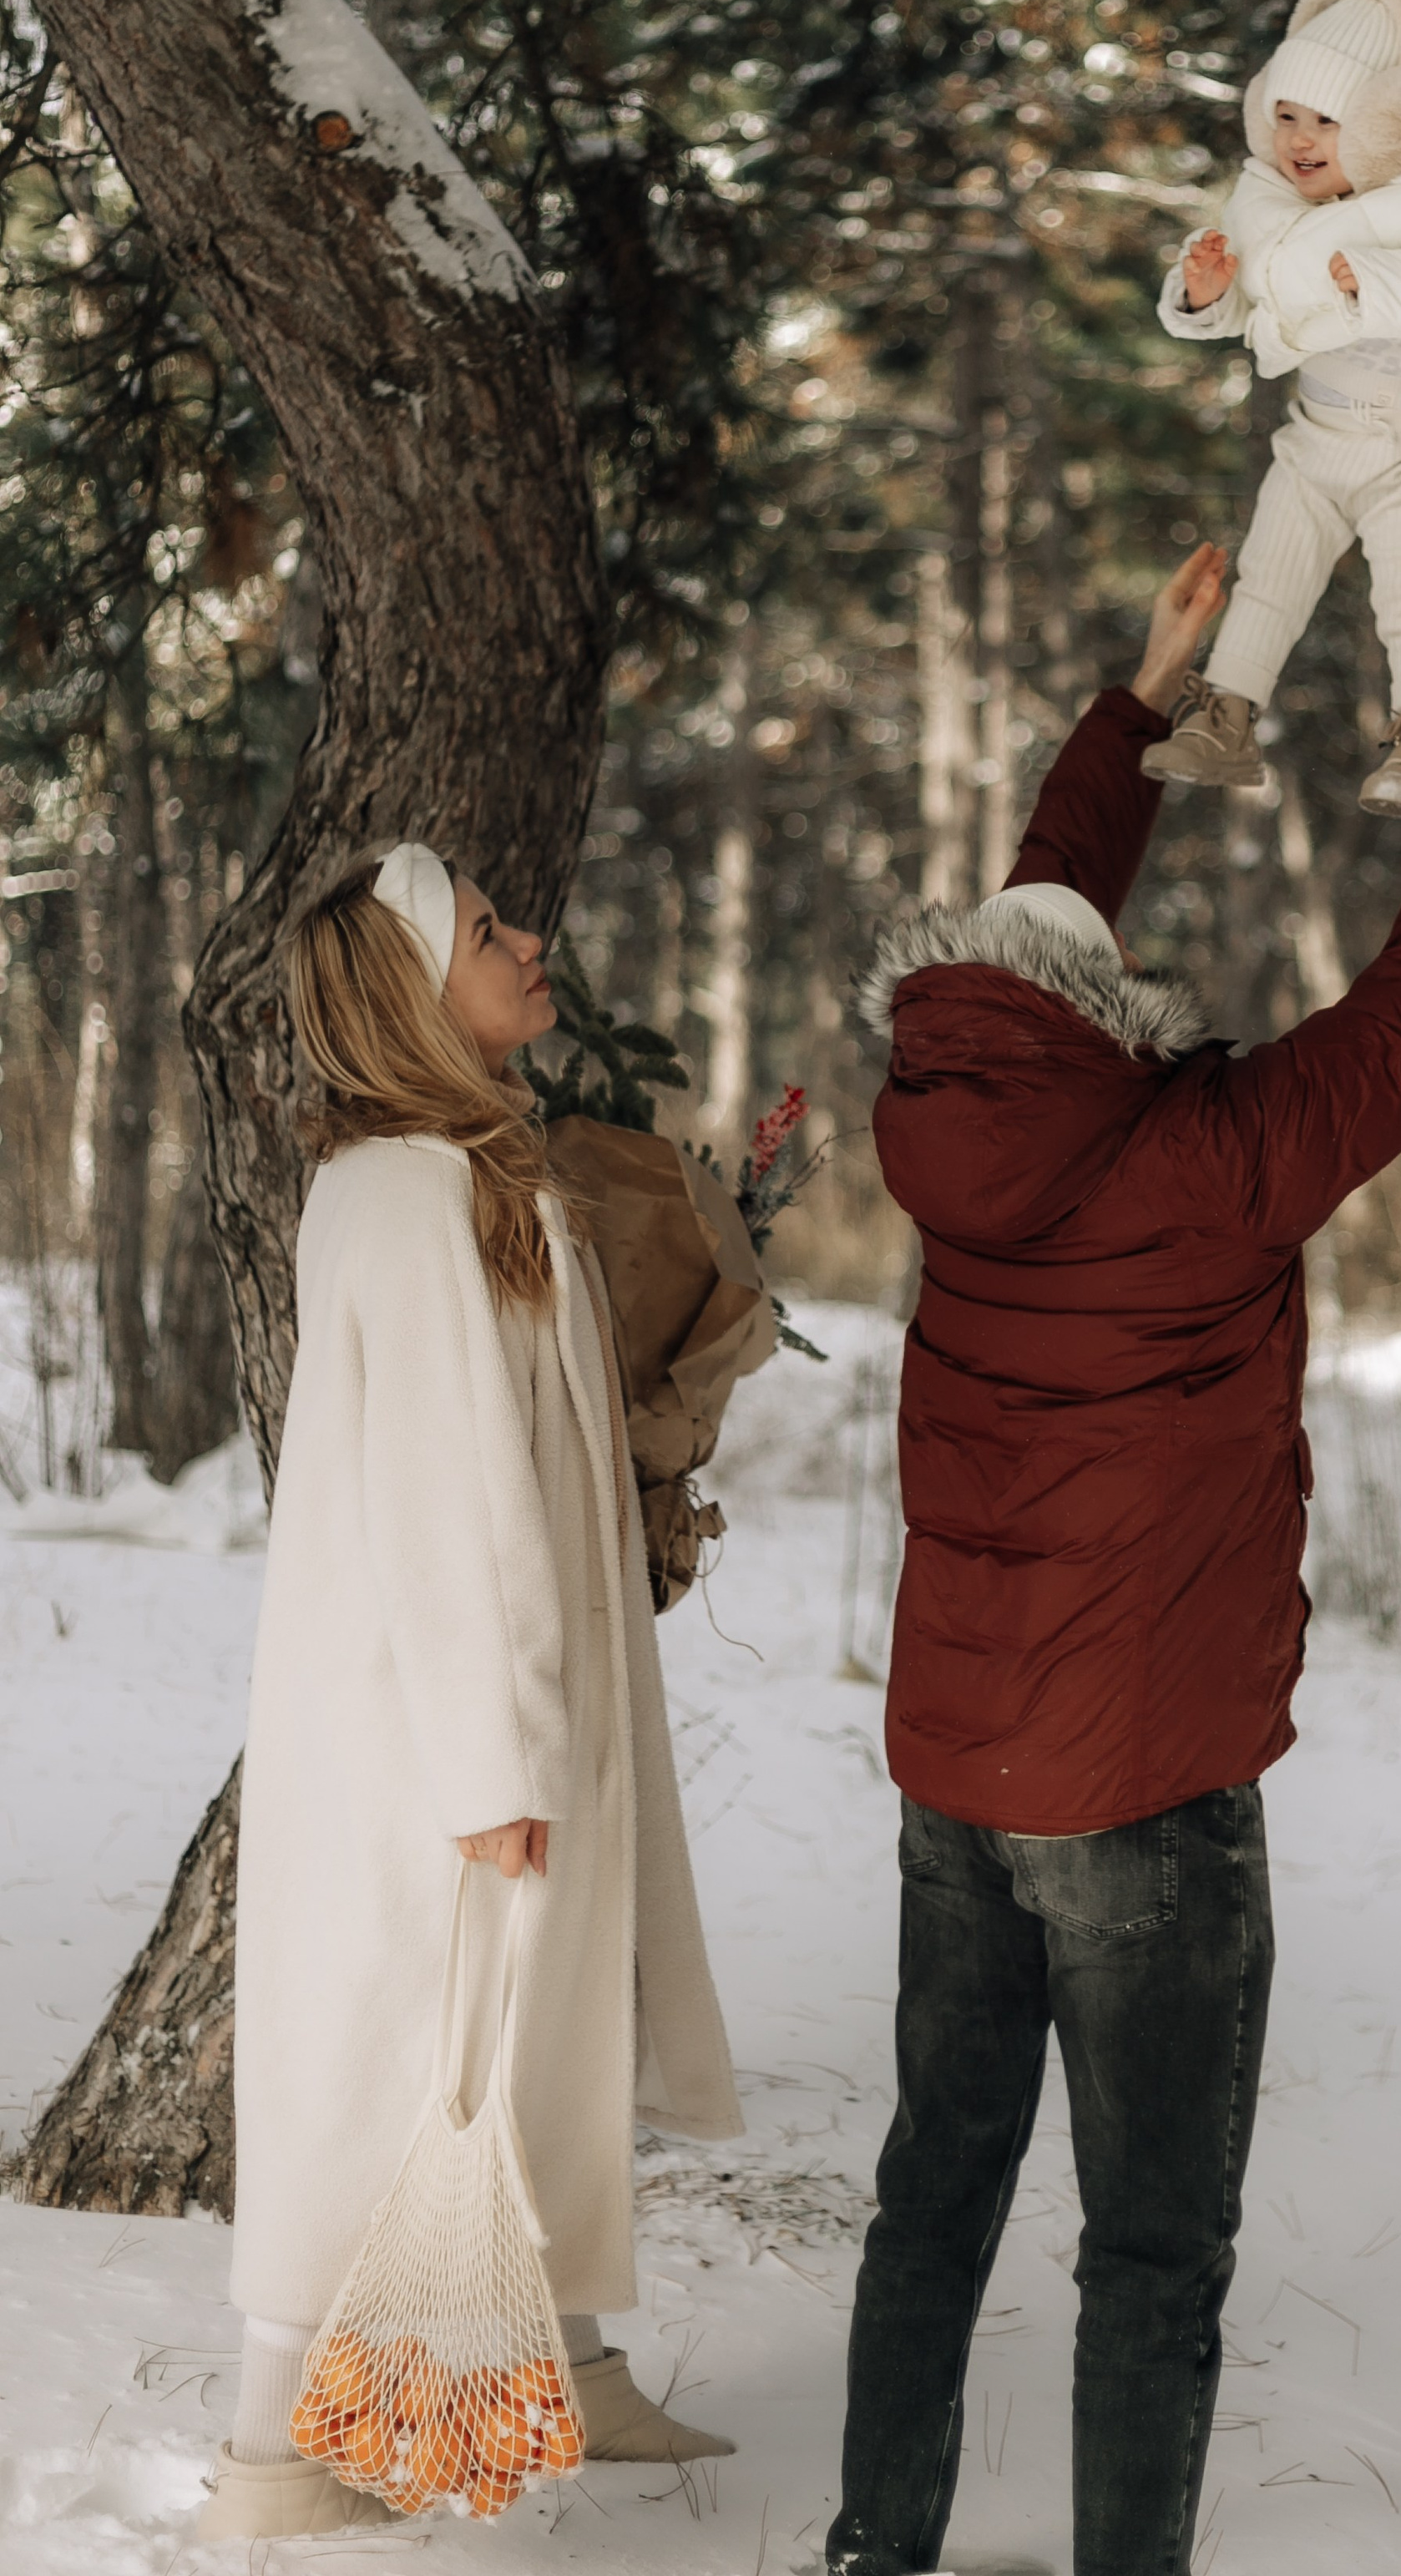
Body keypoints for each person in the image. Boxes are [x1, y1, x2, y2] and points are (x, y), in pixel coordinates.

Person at [830, 549, 1401, 2576]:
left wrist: (1140, 714)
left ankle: (870, 2544)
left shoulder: (952, 1146)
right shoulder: (1212, 1157)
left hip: (953, 1777)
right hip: (1144, 1787)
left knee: (936, 2181)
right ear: (1096, 1016)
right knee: (1149, 2244)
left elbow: (1036, 929)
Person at [196, 841, 744, 2541]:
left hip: (511, 1699)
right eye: (486, 930)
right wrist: (488, 1758)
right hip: (441, 1731)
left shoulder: (472, 1174)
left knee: (533, 2047)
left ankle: (566, 2359)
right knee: (397, 2055)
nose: (529, 941)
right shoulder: (418, 1196)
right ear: (411, 990)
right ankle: (269, 2448)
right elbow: (441, 1495)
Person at [1146, 0, 1401, 821]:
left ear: (1393, 125)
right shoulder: (1268, 201)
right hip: (1315, 436)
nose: (1301, 141)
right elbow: (1249, 302)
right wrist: (1206, 294)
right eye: (1286, 116)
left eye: (1329, 121)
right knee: (1267, 576)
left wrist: (1382, 282)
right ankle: (1224, 718)